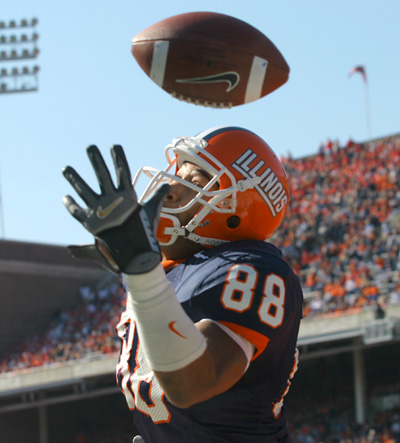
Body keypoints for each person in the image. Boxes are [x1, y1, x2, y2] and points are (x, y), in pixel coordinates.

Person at [63, 126, 304, 442]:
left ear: (235, 208)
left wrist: (142, 276)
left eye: (194, 182)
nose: (170, 189)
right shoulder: (163, 274)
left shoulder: (251, 269)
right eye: (176, 174)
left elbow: (193, 382)